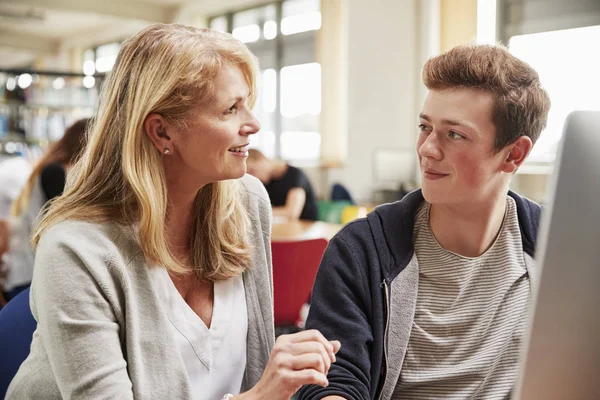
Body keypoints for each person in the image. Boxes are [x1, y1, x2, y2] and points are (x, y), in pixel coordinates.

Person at [7, 24, 339, 400]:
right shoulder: (75, 250)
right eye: (231, 109)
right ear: (162, 133)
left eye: (248, 103)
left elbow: (254, 371)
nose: (253, 124)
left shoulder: (246, 201)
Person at [297, 43, 550, 399]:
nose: (427, 148)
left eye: (454, 134)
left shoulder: (554, 247)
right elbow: (329, 381)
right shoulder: (362, 251)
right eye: (425, 127)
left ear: (514, 154)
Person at [0, 118, 89, 302]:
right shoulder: (55, 172)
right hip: (30, 277)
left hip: (29, 273)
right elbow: (67, 222)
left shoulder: (53, 168)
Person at [246, 149, 318, 220]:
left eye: (253, 170)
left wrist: (256, 212)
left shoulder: (295, 175)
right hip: (282, 225)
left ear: (262, 159)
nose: (255, 177)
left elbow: (291, 213)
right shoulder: (266, 182)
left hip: (306, 225)